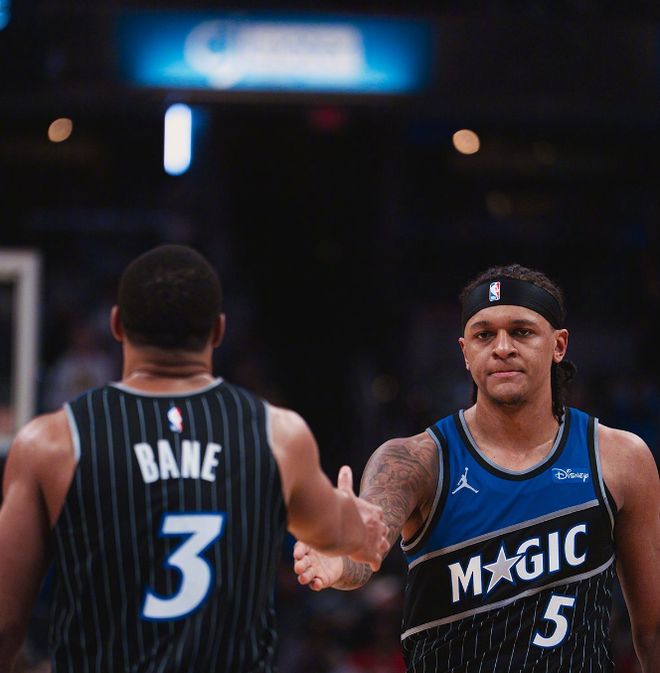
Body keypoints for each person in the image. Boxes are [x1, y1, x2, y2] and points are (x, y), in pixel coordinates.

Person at [0, 244, 389, 672]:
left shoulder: (52, 442)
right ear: (218, 330)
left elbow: (4, 625)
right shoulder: (278, 434)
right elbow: (349, 536)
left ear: (116, 325)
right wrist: (359, 522)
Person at [294, 263, 660, 672]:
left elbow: (652, 633)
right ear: (465, 352)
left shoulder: (620, 458)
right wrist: (339, 550)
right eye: (484, 335)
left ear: (559, 345)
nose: (502, 347)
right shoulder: (416, 459)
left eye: (521, 331)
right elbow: (365, 547)